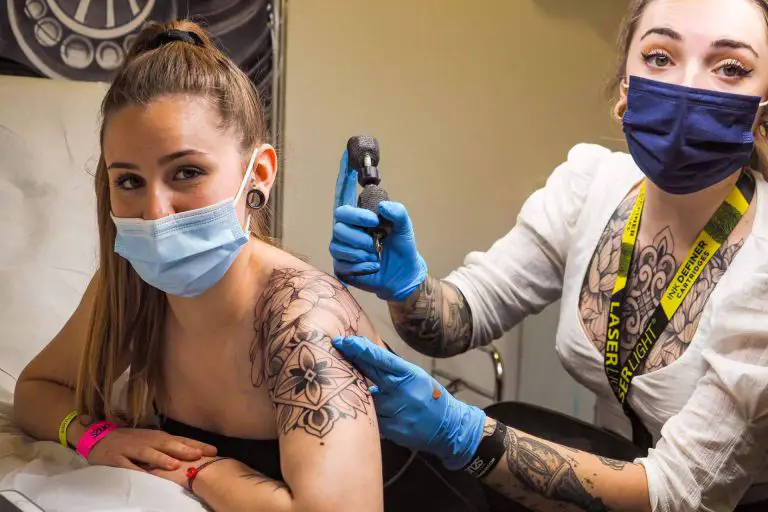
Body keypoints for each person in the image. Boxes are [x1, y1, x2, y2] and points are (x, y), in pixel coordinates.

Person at [12, 20, 490, 512]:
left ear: (257, 174)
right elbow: (35, 391)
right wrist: (94, 436)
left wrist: (199, 471)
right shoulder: (129, 284)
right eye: (129, 181)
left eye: (187, 172)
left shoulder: (301, 315)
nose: (155, 213)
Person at [329, 0, 768, 510]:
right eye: (659, 57)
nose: (687, 88)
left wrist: (464, 435)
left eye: (730, 67)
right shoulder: (590, 186)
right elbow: (462, 319)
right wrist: (408, 289)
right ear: (625, 87)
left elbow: (679, 493)